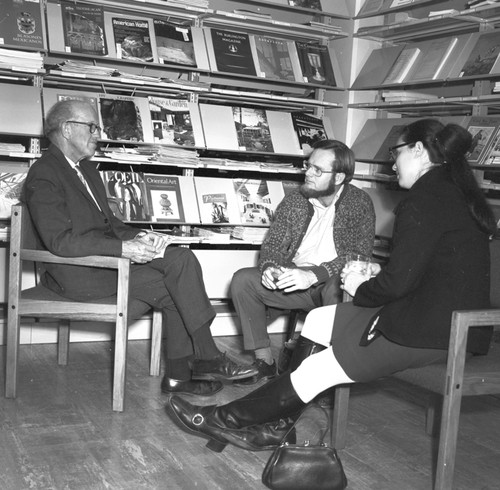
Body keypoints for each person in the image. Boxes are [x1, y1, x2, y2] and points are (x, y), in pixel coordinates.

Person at [166, 118, 497, 452]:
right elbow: (422, 272)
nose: (392, 162)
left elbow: (398, 282)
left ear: (420, 151)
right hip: (438, 319)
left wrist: (361, 284)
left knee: (323, 367)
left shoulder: (423, 200)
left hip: (433, 332)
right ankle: (276, 424)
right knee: (320, 320)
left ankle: (226, 419)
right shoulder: (451, 192)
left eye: (396, 152)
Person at [23, 99, 258, 398]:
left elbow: (111, 225)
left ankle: (181, 375)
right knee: (177, 276)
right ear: (67, 129)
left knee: (180, 263)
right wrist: (123, 248)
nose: (99, 133)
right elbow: (60, 241)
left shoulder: (86, 169)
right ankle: (205, 359)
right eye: (92, 127)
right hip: (77, 274)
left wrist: (144, 235)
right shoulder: (45, 173)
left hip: (102, 263)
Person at [230, 139, 376, 382]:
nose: (308, 173)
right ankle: (264, 361)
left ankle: (328, 372)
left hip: (330, 282)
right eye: (308, 166)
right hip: (294, 280)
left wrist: (314, 274)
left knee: (338, 288)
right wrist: (270, 267)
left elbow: (358, 257)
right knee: (243, 280)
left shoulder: (359, 203)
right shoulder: (295, 200)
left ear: (339, 177)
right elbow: (273, 245)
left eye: (317, 170)